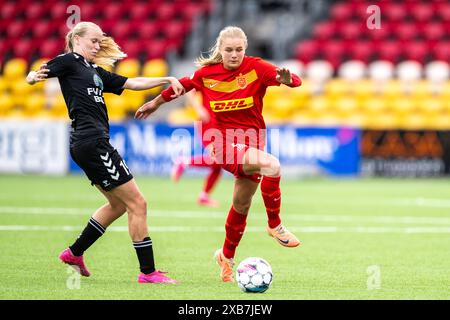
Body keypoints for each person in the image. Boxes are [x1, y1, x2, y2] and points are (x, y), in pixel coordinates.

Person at [135, 26, 301, 283]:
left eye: (238, 50)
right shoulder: (207, 73)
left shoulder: (257, 68)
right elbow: (181, 86)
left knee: (241, 206)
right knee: (272, 165)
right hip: (223, 143)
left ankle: (226, 256)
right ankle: (274, 225)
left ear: (245, 49)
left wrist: (288, 80)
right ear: (220, 50)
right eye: (229, 50)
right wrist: (155, 103)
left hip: (252, 143)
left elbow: (294, 81)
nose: (234, 55)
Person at [26, 21, 184, 284]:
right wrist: (32, 77)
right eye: (94, 41)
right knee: (138, 204)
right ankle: (148, 273)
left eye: (100, 41)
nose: (98, 45)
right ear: (77, 39)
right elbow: (40, 72)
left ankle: (74, 253)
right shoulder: (69, 61)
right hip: (92, 142)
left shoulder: (94, 71)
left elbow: (132, 83)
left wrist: (166, 79)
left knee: (119, 205)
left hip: (90, 143)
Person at [171, 89, 222, 207]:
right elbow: (189, 90)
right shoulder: (207, 74)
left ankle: (204, 196)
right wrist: (199, 109)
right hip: (209, 121)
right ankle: (184, 162)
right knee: (218, 159)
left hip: (222, 122)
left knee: (219, 163)